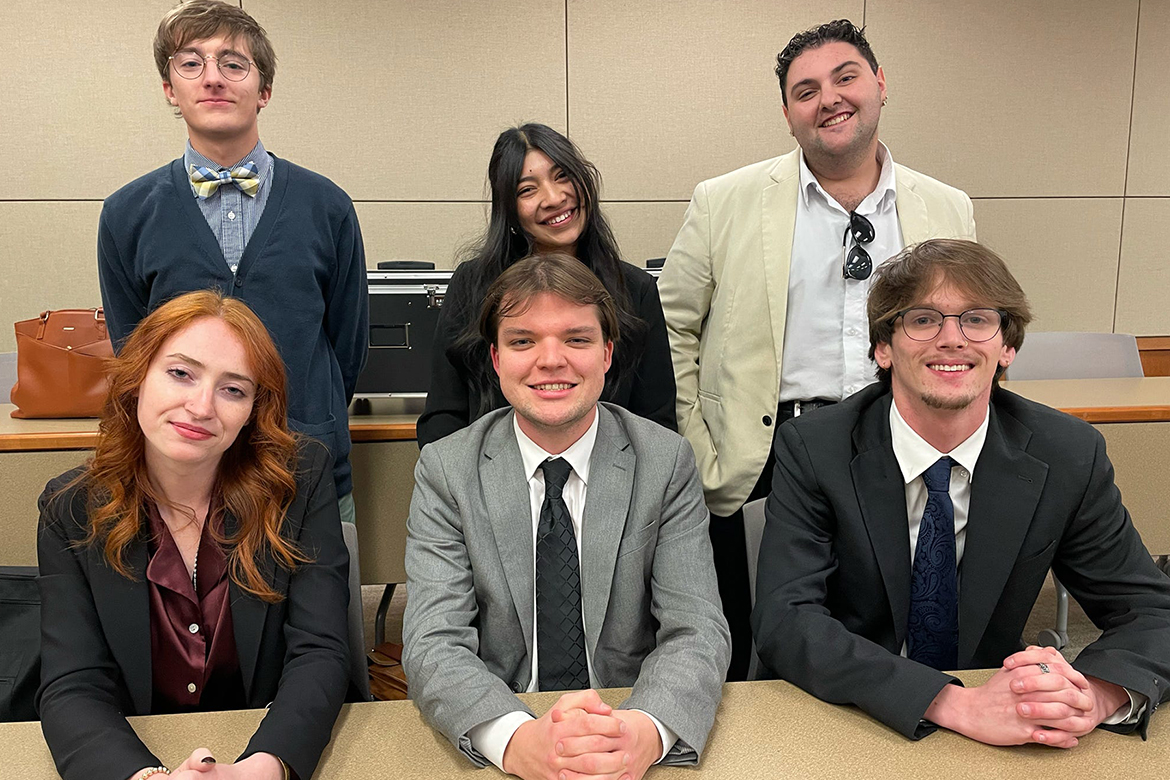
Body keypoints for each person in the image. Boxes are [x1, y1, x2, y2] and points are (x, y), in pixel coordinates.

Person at [752, 239, 1170, 746]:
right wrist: (951, 702)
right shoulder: (817, 447)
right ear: (883, 348)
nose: (952, 339)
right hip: (850, 712)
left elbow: (1149, 609)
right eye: (923, 320)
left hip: (998, 706)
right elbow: (786, 619)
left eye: (976, 320)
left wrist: (1094, 695)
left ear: (1007, 346)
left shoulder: (1067, 453)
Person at [657, 19, 976, 679]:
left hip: (900, 444)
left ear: (881, 85)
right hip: (764, 453)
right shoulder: (726, 202)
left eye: (845, 77)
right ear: (787, 114)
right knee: (761, 643)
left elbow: (968, 328)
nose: (828, 98)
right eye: (806, 90)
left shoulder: (947, 208)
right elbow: (670, 327)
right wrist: (697, 441)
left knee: (892, 628)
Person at [403, 254, 730, 780]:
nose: (550, 360)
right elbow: (433, 641)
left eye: (576, 339)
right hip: (508, 725)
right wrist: (513, 739)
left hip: (624, 719)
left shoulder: (664, 461)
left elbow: (696, 629)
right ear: (495, 358)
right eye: (523, 341)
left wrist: (645, 731)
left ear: (606, 353)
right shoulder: (447, 470)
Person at [37, 291, 350, 780]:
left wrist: (266, 768)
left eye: (233, 390)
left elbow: (320, 651)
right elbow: (74, 683)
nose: (201, 406)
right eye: (180, 373)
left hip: (261, 740)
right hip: (139, 745)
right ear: (138, 377)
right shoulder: (71, 508)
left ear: (252, 411)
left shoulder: (300, 480)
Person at [97, 0, 368, 523]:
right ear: (169, 89)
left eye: (233, 64)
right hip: (182, 477)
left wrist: (314, 416)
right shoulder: (127, 213)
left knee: (323, 606)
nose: (213, 78)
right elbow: (134, 354)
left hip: (306, 470)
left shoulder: (327, 205)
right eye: (191, 62)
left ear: (263, 91)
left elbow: (347, 345)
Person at [416, 122, 675, 449]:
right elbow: (443, 416)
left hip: (612, 485)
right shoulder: (473, 285)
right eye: (527, 189)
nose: (554, 198)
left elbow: (656, 420)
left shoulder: (635, 290)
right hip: (491, 483)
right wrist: (463, 485)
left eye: (562, 176)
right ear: (509, 210)